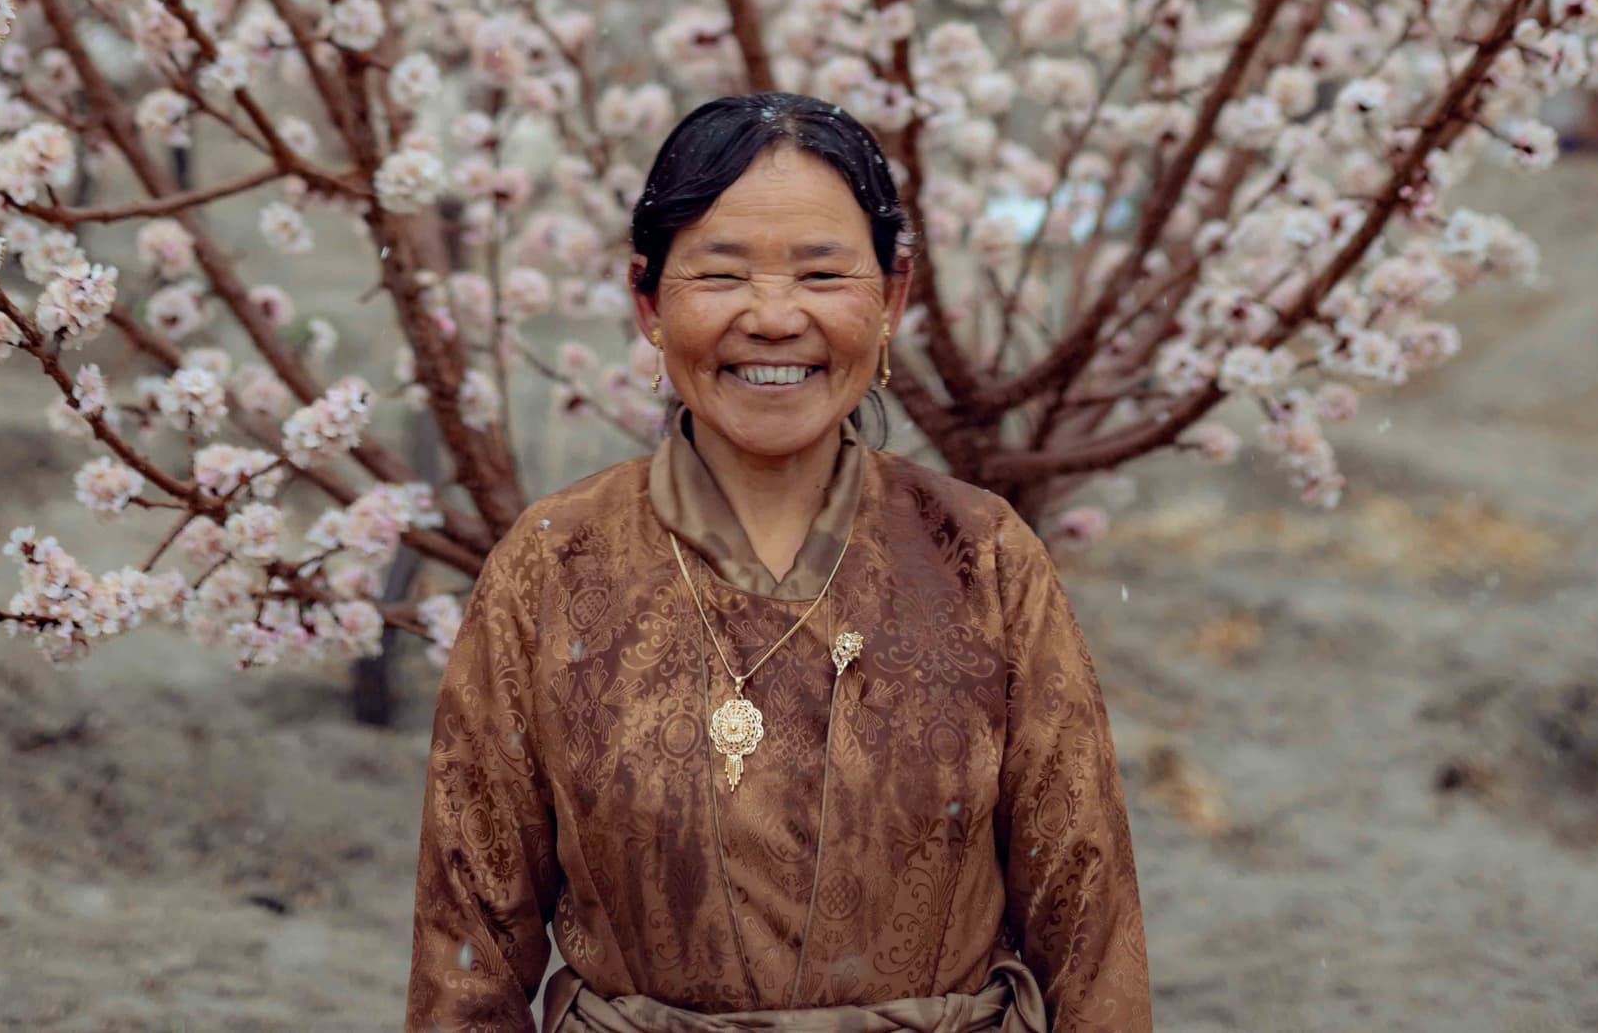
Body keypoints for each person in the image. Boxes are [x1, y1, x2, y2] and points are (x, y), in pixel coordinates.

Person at [407, 91, 1153, 1031]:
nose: (771, 317)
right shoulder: (553, 567)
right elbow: (465, 948)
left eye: (821, 273)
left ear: (892, 298)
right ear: (648, 299)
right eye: (720, 274)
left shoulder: (982, 557)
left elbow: (1089, 930)